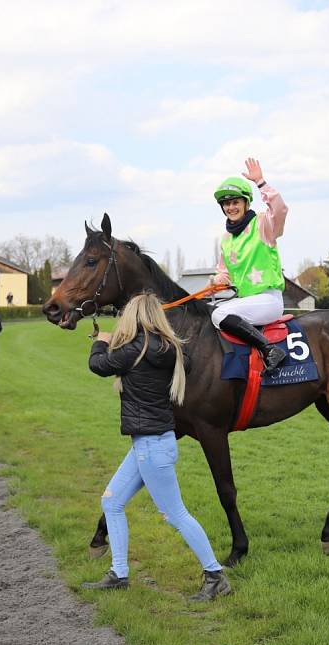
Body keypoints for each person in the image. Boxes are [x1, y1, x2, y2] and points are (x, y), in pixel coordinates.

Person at [81, 292, 231, 602]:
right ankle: (119, 574)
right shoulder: (170, 348)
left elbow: (97, 365)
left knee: (176, 513)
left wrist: (102, 341)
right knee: (111, 503)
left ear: (135, 318)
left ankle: (215, 575)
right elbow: (184, 363)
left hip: (151, 448)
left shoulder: (133, 350)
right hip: (151, 443)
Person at [211, 157, 288, 371]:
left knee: (219, 315)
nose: (231, 207)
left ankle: (270, 350)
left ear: (246, 203)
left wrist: (261, 182)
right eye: (226, 203)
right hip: (247, 302)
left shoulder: (263, 224)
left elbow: (280, 210)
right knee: (209, 310)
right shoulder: (227, 239)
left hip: (268, 299)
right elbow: (223, 273)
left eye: (235, 202)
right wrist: (217, 280)